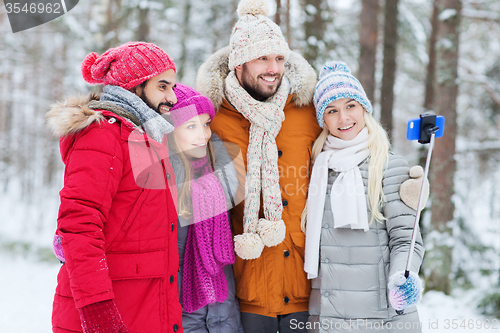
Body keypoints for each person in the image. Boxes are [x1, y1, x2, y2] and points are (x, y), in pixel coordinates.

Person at [196, 0, 321, 331]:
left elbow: (357, 141)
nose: (273, 68)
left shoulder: (307, 111)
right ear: (238, 64)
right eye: (262, 58)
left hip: (305, 285)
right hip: (247, 283)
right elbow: (170, 181)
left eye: (279, 58)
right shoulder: (211, 118)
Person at [46, 42, 183, 333]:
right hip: (109, 312)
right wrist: (97, 309)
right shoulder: (102, 136)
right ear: (134, 87)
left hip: (144, 309)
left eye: (173, 86)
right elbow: (79, 224)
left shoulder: (146, 137)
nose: (172, 97)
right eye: (162, 86)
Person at [303, 61, 425, 332]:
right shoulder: (318, 169)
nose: (343, 118)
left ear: (364, 109)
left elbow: (407, 238)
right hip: (328, 318)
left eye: (350, 106)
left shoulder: (390, 166)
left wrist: (401, 277)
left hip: (382, 317)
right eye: (332, 111)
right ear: (323, 119)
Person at [167, 84, 244, 332]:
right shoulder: (163, 188)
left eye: (206, 124)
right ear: (171, 132)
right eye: (191, 126)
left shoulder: (222, 181)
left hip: (225, 314)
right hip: (182, 318)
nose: (203, 134)